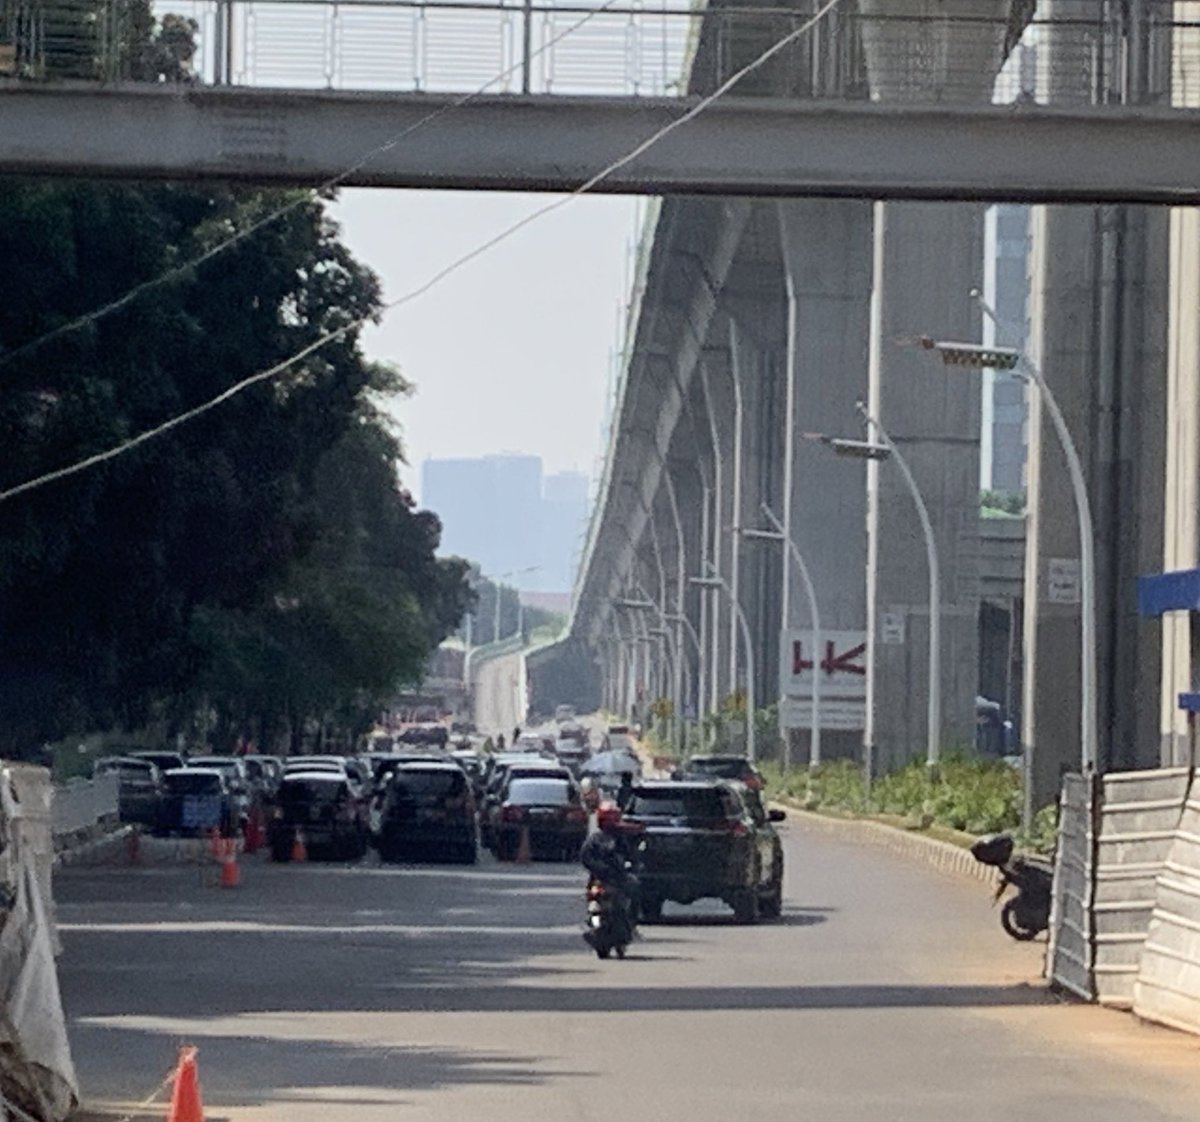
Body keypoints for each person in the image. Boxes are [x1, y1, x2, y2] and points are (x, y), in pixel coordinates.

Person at [580, 802, 642, 940]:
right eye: (608, 820)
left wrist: (632, 865)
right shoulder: (594, 840)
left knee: (635, 889)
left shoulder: (621, 839)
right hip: (599, 878)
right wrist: (600, 869)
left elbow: (632, 856)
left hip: (618, 878)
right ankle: (593, 926)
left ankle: (630, 924)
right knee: (593, 902)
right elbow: (585, 857)